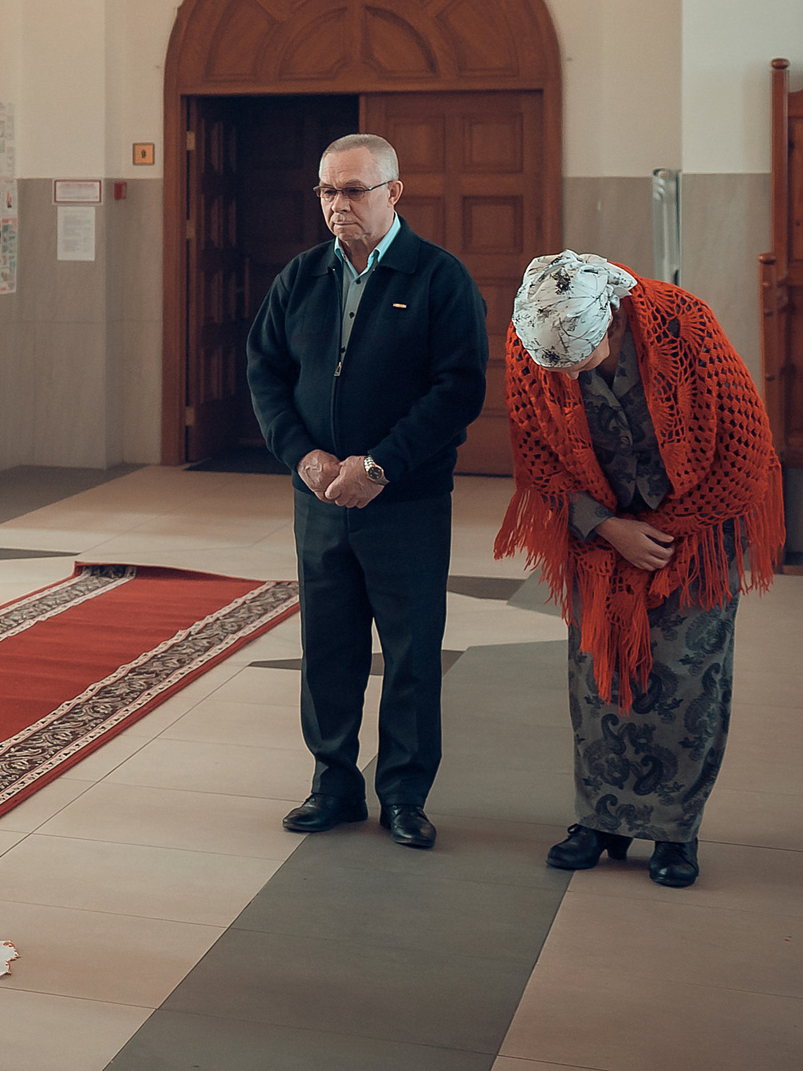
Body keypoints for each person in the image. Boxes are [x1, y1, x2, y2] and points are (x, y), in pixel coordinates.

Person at [496, 252, 783, 888]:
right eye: (557, 367)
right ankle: (599, 821)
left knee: (685, 676)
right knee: (598, 673)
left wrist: (661, 534)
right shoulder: (532, 342)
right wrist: (605, 527)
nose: (566, 376)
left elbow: (743, 448)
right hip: (604, 530)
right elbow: (537, 452)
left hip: (699, 527)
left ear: (614, 322)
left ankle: (676, 832)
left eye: (580, 360)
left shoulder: (687, 329)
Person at [246, 132, 486, 849]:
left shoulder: (438, 277)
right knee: (329, 644)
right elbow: (265, 374)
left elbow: (459, 389)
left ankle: (405, 794)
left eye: (353, 190)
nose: (337, 205)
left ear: (393, 192)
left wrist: (380, 465)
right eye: (326, 190)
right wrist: (306, 458)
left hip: (403, 501)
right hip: (320, 500)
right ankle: (333, 782)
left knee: (411, 650)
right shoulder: (300, 277)